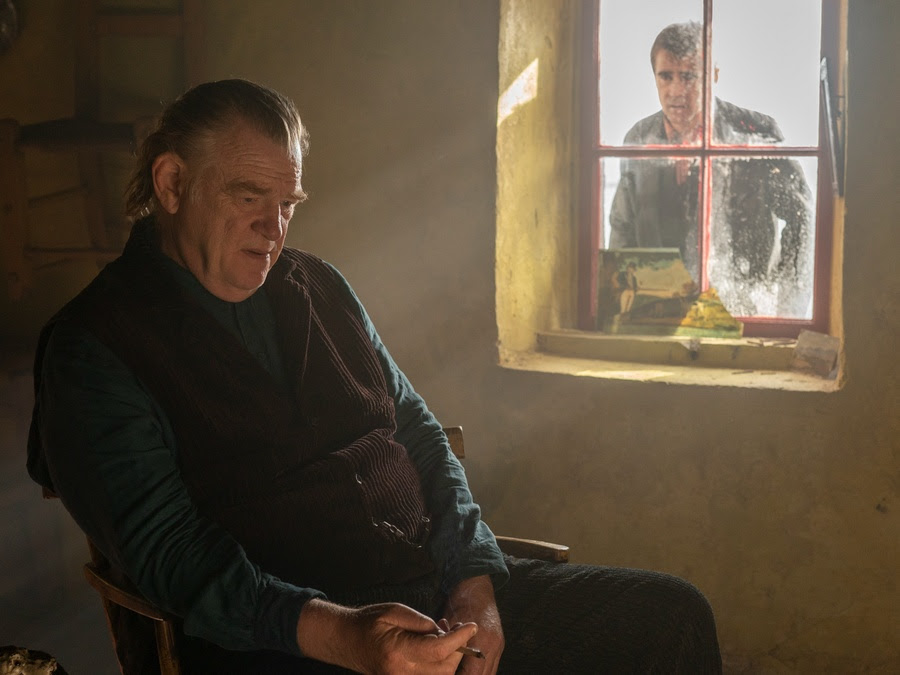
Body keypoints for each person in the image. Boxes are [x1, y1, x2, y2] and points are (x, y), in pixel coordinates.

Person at [27, 79, 722, 674]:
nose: (274, 228)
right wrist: (347, 636)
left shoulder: (318, 285)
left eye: (289, 203)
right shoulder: (93, 348)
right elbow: (176, 560)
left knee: (670, 618)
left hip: (429, 595)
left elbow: (419, 434)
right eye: (249, 197)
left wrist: (475, 583)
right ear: (172, 183)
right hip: (283, 639)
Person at [609, 21, 814, 318]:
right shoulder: (638, 138)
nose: (676, 90)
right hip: (661, 318)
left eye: (689, 76)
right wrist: (620, 312)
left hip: (743, 316)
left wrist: (785, 309)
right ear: (654, 77)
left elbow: (802, 220)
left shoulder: (757, 133)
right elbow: (623, 228)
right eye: (666, 76)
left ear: (714, 75)